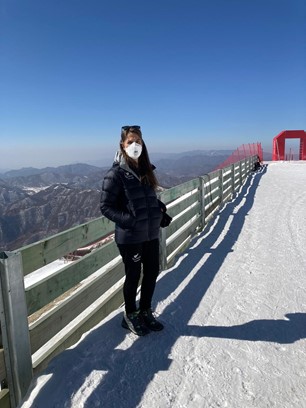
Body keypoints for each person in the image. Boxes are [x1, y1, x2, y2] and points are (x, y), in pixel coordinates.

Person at [100, 125, 172, 336]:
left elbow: (148, 200)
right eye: (130, 141)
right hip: (130, 237)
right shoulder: (116, 174)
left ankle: (145, 311)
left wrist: (160, 212)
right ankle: (130, 315)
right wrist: (129, 221)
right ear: (122, 145)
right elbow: (106, 207)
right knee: (133, 276)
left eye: (138, 141)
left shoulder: (146, 171)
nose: (134, 145)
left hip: (150, 233)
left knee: (151, 272)